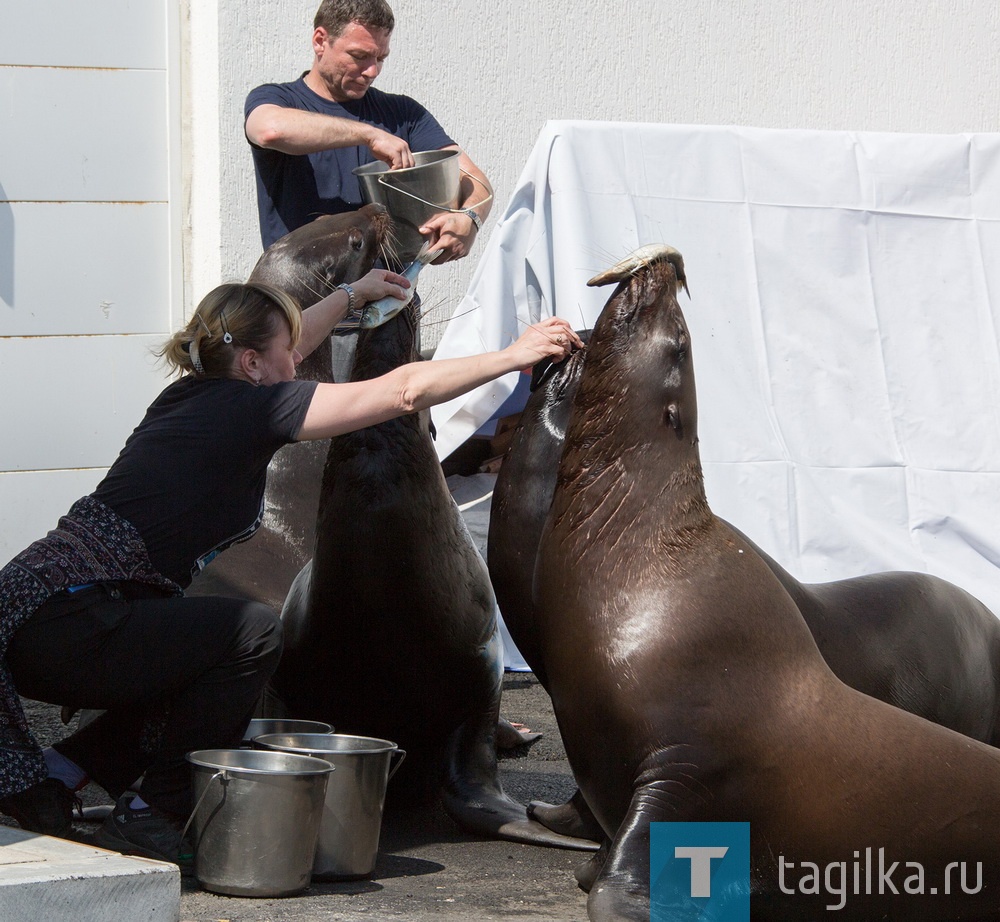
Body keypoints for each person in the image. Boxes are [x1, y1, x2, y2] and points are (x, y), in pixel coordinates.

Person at [0, 270, 581, 870]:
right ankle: (156, 810)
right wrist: (514, 356)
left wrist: (354, 296)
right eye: (287, 353)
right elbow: (404, 393)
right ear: (253, 364)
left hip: (39, 614)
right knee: (249, 636)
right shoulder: (256, 409)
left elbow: (294, 344)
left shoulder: (193, 393)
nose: (301, 363)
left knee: (193, 652)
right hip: (70, 623)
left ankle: (56, 776)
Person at [245, 0, 492, 260]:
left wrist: (469, 220)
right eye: (359, 56)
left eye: (380, 58)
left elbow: (474, 179)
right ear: (320, 41)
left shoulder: (403, 114)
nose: (372, 71)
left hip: (391, 296)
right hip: (302, 297)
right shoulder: (277, 99)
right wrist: (369, 134)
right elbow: (269, 130)